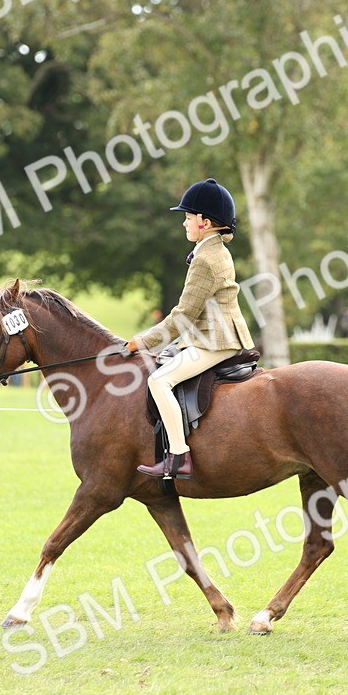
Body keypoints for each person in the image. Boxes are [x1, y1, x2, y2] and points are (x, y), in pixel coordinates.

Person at [125, 178, 256, 480]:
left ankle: (179, 457)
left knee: (159, 381)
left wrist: (141, 342)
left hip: (215, 342)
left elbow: (182, 317)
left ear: (205, 222)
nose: (184, 223)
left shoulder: (205, 259)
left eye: (187, 217)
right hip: (211, 336)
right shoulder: (212, 250)